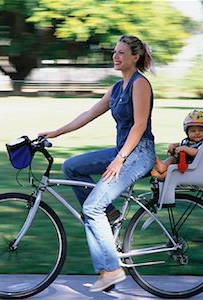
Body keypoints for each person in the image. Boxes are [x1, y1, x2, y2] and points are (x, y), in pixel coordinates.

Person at [40, 35, 156, 292]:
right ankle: (110, 214)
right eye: (114, 52)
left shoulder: (140, 85)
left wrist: (119, 159)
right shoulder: (116, 88)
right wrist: (55, 133)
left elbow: (139, 126)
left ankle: (112, 269)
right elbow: (88, 115)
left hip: (139, 154)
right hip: (123, 150)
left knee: (92, 208)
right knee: (71, 166)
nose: (115, 56)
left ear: (135, 57)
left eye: (121, 53)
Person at [151, 110, 203, 181]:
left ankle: (161, 176)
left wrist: (185, 149)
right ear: (187, 133)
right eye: (193, 131)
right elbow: (179, 144)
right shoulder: (188, 141)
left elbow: (198, 152)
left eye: (201, 130)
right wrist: (172, 145)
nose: (197, 133)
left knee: (173, 169)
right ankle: (163, 166)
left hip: (192, 168)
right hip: (182, 163)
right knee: (172, 158)